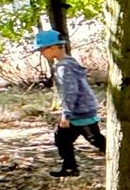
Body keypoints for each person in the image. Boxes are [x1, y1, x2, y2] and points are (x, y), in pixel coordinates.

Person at [37, 28, 106, 177]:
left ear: (53, 48)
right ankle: (69, 167)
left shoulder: (64, 67)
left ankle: (123, 157)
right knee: (62, 137)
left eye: (42, 50)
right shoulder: (68, 62)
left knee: (95, 139)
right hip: (80, 109)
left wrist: (66, 115)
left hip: (81, 111)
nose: (41, 53)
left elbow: (70, 92)